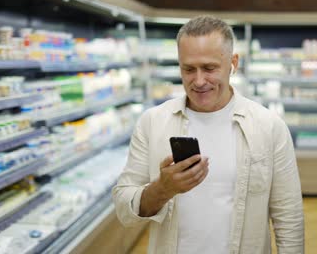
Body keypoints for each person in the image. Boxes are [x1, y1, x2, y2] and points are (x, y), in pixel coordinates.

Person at [112, 15, 304, 254]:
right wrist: (163, 188)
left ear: (233, 63)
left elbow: (288, 217)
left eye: (210, 68)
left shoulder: (269, 126)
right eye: (189, 69)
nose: (199, 81)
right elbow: (124, 208)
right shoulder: (152, 122)